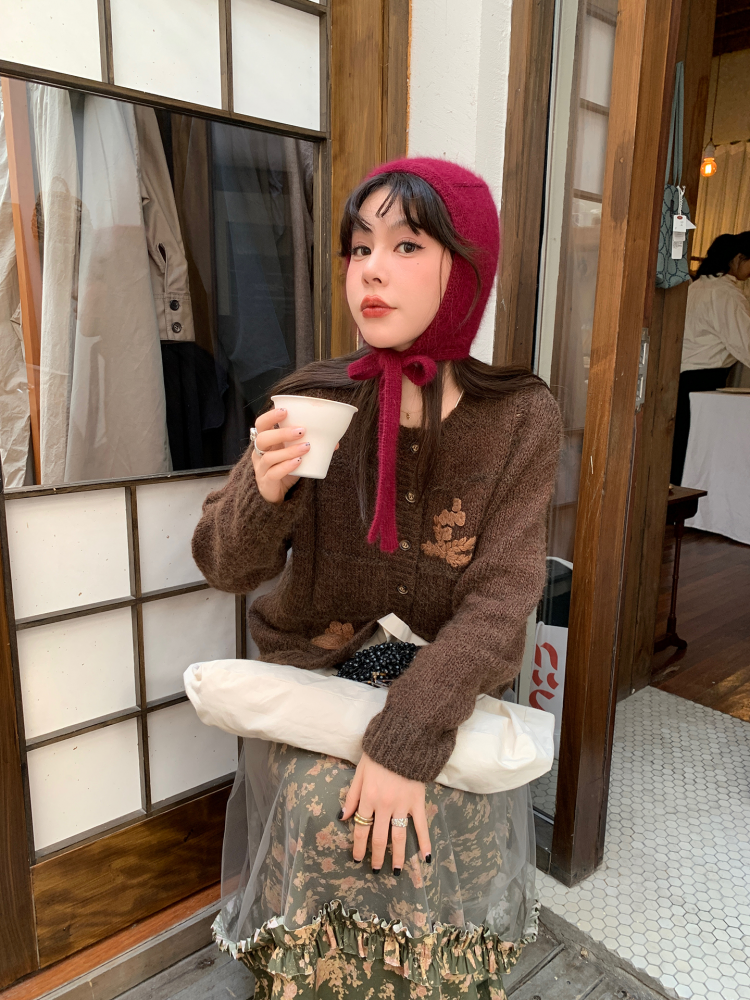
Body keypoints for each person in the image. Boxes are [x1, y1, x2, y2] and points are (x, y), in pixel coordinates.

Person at [192, 158, 561, 1000]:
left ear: (464, 269)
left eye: (405, 244)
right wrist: (263, 491)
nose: (371, 270)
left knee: (418, 813)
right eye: (360, 248)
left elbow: (501, 601)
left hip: (440, 684)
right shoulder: (312, 396)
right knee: (330, 803)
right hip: (320, 674)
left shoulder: (519, 415)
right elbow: (225, 565)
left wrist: (404, 743)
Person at [671, 231, 750, 484]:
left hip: (682, 378)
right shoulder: (725, 294)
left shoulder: (697, 286)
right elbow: (745, 343)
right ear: (738, 258)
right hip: (703, 381)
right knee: (695, 453)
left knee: (682, 450)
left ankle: (677, 504)